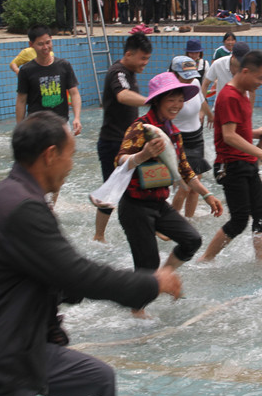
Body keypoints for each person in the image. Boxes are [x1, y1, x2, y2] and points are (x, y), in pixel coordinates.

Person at [0, 111, 183, 396]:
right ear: (50, 155)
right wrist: (153, 283)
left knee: (96, 381)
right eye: (69, 156)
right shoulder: (21, 207)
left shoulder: (15, 194)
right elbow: (77, 275)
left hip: (21, 343)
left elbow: (58, 277)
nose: (71, 165)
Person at [116, 72, 222, 316]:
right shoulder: (141, 127)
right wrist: (142, 155)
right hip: (135, 206)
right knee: (146, 264)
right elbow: (120, 160)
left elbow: (184, 169)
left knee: (192, 240)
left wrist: (208, 195)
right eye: (170, 100)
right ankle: (137, 311)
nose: (176, 105)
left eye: (179, 99)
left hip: (158, 203)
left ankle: (163, 277)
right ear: (158, 100)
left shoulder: (172, 131)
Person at [199, 50, 262, 263]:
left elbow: (236, 130)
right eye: (260, 77)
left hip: (245, 162)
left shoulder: (243, 94)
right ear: (245, 71)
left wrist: (257, 133)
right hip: (231, 164)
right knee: (239, 220)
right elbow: (228, 137)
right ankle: (206, 259)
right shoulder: (229, 96)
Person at [92, 33, 152, 243]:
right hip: (112, 143)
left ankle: (152, 226)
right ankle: (99, 235)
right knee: (110, 192)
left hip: (128, 144)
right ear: (129, 54)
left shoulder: (129, 71)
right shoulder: (117, 72)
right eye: (142, 59)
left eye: (147, 58)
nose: (145, 63)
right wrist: (149, 100)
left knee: (144, 186)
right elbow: (122, 95)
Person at [168, 55, 214, 218]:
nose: (189, 81)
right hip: (180, 141)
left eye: (190, 76)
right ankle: (172, 222)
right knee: (186, 186)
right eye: (184, 77)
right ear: (174, 74)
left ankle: (188, 220)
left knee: (195, 185)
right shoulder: (168, 92)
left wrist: (210, 115)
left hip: (197, 138)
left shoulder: (194, 83)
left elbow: (201, 101)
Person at [16, 25, 81, 136]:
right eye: (40, 44)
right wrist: (20, 127)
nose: (45, 47)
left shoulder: (64, 65)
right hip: (36, 127)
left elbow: (74, 93)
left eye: (48, 42)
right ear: (31, 45)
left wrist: (77, 118)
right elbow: (21, 100)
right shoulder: (26, 70)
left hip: (61, 124)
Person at [203, 41, 255, 107]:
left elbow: (252, 91)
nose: (242, 63)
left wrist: (249, 112)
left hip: (241, 108)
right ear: (233, 56)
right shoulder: (218, 64)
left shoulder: (249, 66)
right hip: (221, 107)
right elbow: (205, 84)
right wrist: (203, 108)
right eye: (240, 60)